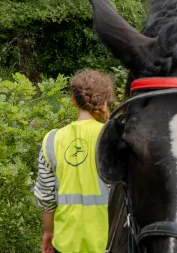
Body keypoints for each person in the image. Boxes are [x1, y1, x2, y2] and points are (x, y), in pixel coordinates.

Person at [33, 69, 116, 253]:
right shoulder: (113, 138)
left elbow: (45, 197)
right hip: (109, 243)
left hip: (65, 244)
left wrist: (48, 232)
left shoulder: (52, 141)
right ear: (104, 102)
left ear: (73, 101)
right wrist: (108, 121)